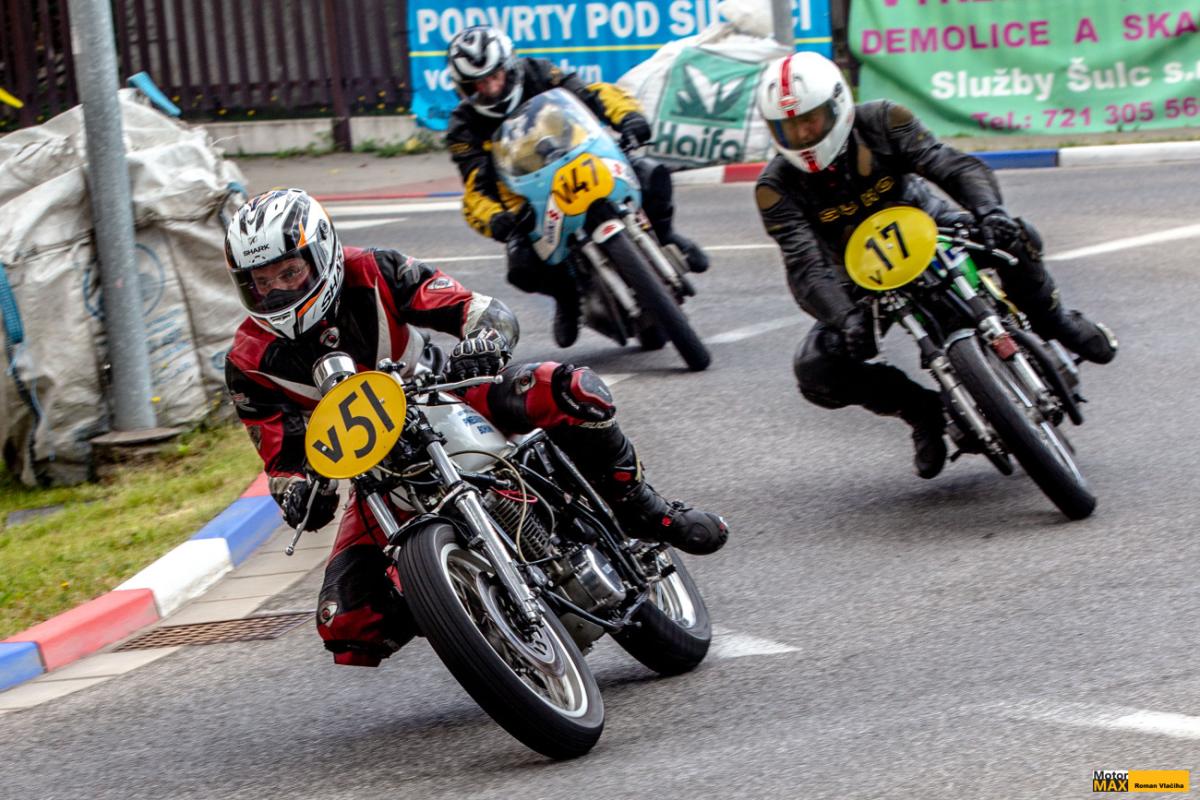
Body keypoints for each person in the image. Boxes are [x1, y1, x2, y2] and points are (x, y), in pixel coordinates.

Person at [222, 188, 728, 668]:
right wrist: (298, 491)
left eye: (289, 272)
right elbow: (281, 457)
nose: (277, 290)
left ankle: (644, 507)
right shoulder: (247, 361)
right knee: (346, 624)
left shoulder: (374, 269)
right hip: (376, 474)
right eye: (261, 282)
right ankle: (466, 602)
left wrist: (484, 340)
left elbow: (479, 310)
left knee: (571, 389)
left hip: (447, 394)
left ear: (322, 254)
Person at [753, 53, 1117, 480]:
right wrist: (844, 317)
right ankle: (921, 412)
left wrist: (989, 211)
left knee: (1016, 236)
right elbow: (804, 266)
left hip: (932, 225)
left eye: (810, 120)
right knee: (815, 369)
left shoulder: (884, 120)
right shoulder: (774, 188)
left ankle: (1056, 321)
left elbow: (951, 165)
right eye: (789, 127)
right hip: (858, 275)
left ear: (837, 106)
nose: (802, 134)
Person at [444, 25, 710, 348]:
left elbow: (591, 94)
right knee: (521, 264)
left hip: (583, 158)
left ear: (509, 68)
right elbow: (476, 187)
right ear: (464, 88)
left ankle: (666, 235)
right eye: (479, 84)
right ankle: (566, 297)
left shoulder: (539, 72)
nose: (490, 88)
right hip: (527, 198)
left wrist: (628, 117)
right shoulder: (462, 126)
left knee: (650, 174)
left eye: (495, 76)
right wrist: (496, 218)